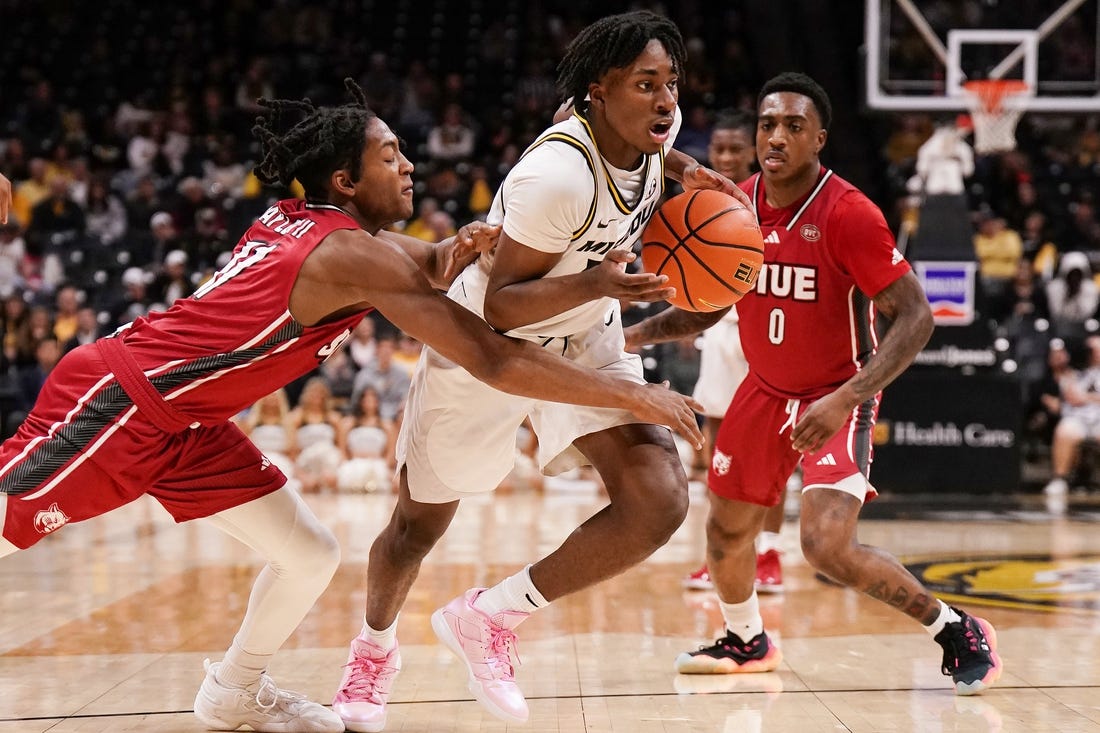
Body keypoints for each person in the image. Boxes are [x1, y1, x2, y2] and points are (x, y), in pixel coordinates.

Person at [0, 80, 704, 733]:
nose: (408, 166)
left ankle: (233, 688)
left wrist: (459, 247)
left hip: (190, 424)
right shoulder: (351, 256)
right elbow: (491, 356)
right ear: (346, 180)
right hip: (125, 401)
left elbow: (421, 265)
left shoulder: (320, 225)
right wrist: (633, 392)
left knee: (308, 553)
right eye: (390, 155)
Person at [331, 12, 748, 731]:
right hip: (490, 335)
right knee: (417, 526)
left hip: (587, 318)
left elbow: (601, 124)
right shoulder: (555, 177)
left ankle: (490, 617)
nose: (664, 101)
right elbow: (505, 308)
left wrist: (688, 171)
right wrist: (601, 288)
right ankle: (372, 650)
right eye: (646, 85)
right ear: (601, 90)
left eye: (670, 84)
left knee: (659, 499)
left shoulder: (653, 129)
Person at [623, 72, 1002, 696]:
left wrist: (845, 399)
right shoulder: (734, 206)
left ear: (819, 138)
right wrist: (631, 337)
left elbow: (917, 316)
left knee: (825, 545)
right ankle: (745, 639)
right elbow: (711, 304)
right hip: (764, 388)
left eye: (793, 126)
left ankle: (954, 626)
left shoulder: (849, 213)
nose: (776, 136)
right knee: (724, 530)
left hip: (837, 390)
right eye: (767, 124)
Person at [680, 109, 788, 595]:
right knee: (716, 451)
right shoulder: (700, 202)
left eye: (733, 150)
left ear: (752, 151)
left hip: (762, 335)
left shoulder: (767, 201)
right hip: (720, 331)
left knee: (771, 456)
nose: (724, 157)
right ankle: (721, 557)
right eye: (717, 149)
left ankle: (770, 556)